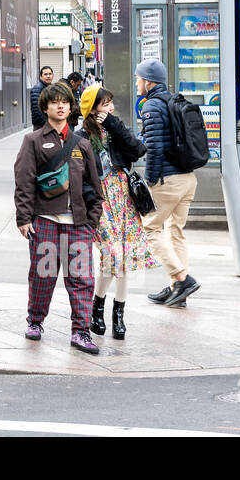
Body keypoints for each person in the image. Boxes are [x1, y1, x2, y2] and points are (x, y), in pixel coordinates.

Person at [15, 80, 104, 354]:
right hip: (45, 220)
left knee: (82, 278)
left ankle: (81, 331)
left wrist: (93, 220)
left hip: (78, 223)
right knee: (43, 276)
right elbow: (24, 180)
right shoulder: (33, 141)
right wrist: (24, 218)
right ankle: (35, 321)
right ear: (46, 107)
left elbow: (95, 183)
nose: (61, 106)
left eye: (65, 101)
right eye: (55, 102)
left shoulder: (82, 143)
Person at [75, 85, 158, 339]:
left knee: (121, 260)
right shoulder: (81, 137)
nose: (110, 107)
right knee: (114, 254)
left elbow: (138, 149)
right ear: (92, 109)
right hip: (101, 201)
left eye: (110, 102)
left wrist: (112, 124)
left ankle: (114, 314)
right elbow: (79, 174)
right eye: (104, 104)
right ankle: (98, 309)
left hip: (124, 199)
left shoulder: (115, 129)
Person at [135, 59, 200, 307]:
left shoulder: (152, 105)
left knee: (151, 229)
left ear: (149, 81)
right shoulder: (174, 100)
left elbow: (154, 147)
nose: (137, 82)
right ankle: (177, 289)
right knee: (176, 231)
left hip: (167, 179)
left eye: (139, 78)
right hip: (188, 178)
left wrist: (151, 180)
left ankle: (182, 279)